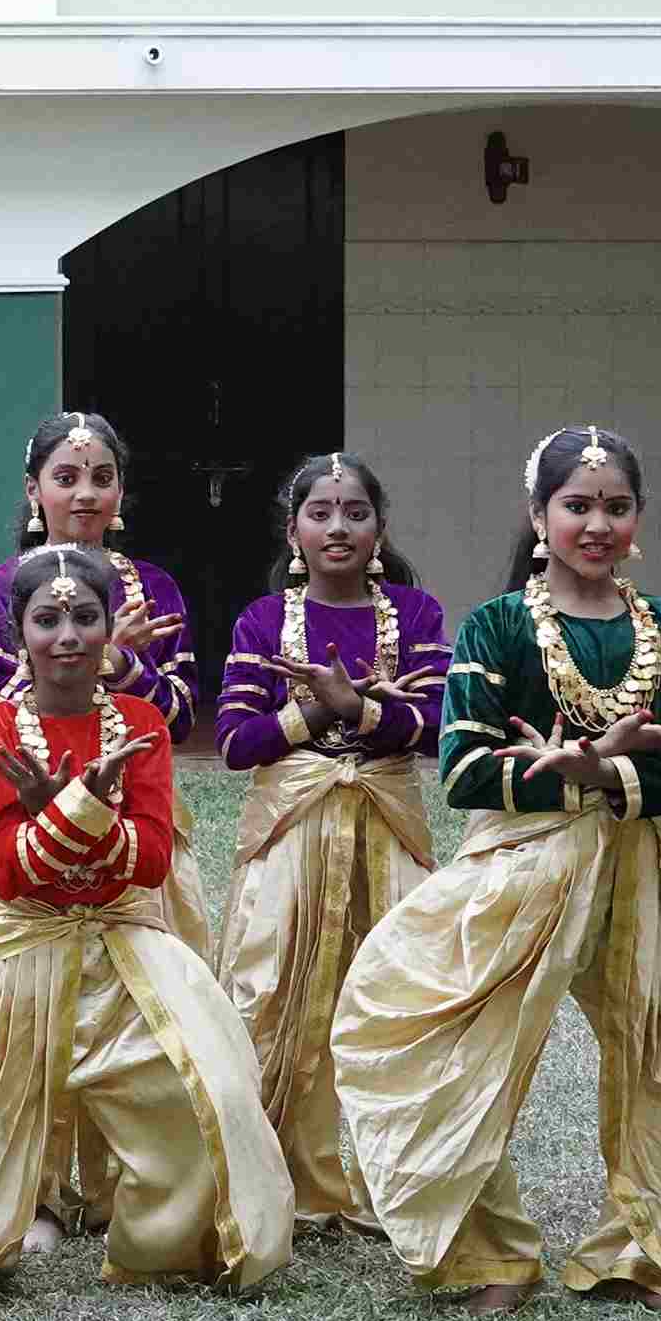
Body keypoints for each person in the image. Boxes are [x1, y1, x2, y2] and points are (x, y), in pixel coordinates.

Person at [331, 424, 661, 1311]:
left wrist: (607, 773)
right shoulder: (499, 626)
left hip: (647, 868)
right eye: (577, 505)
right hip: (524, 866)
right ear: (537, 514)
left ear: (639, 518)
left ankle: (656, 1250)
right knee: (447, 1038)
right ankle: (489, 1256)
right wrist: (580, 771)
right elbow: (464, 769)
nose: (597, 525)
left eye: (616, 506)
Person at [0, 544, 290, 1297]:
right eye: (48, 619)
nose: (67, 636)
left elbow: (152, 861)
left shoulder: (140, 723)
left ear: (110, 629)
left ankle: (165, 1246)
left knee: (210, 1089)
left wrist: (59, 811)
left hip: (122, 937)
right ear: (19, 633)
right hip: (15, 941)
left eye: (85, 617)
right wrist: (88, 810)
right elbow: (9, 872)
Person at [211, 453, 448, 1239]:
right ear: (294, 532)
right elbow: (236, 743)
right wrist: (317, 713)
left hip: (388, 827)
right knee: (272, 998)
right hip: (293, 834)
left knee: (403, 1000)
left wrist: (363, 712)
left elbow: (441, 728)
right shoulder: (261, 621)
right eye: (320, 513)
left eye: (355, 513)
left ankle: (399, 1190)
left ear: (380, 529)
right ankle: (284, 1184)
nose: (337, 527)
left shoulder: (415, 614)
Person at [0, 410, 203, 743]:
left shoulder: (153, 586)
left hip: (135, 770)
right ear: (33, 489)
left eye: (102, 479)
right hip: (33, 773)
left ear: (120, 489)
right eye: (66, 479)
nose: (87, 493)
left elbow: (180, 720)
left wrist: (122, 664)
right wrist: (106, 655)